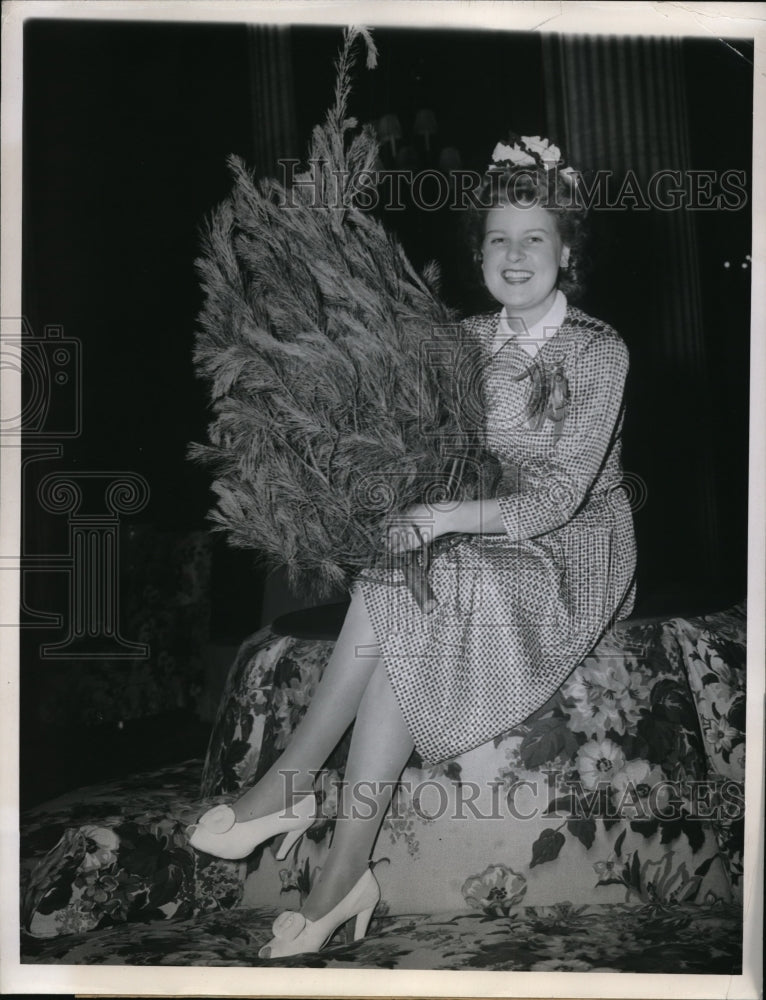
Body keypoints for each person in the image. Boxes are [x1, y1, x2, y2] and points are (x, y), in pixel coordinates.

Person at [188, 135, 637, 959]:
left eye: (534, 237)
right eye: (498, 238)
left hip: (571, 545)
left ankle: (288, 790)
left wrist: (445, 519)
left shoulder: (600, 350)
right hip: (473, 534)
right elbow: (421, 450)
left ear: (565, 251)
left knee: (433, 566)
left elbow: (560, 493)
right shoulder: (460, 339)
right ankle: (342, 875)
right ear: (478, 254)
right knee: (402, 579)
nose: (514, 254)